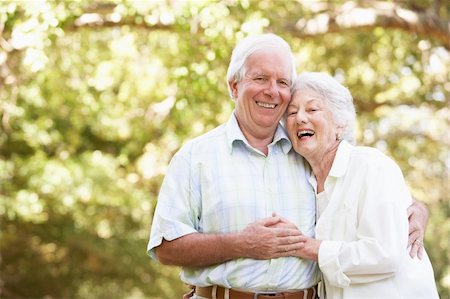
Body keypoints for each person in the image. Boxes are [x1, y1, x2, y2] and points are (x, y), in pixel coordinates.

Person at [147, 34, 429, 299]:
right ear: (234, 86)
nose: (272, 91)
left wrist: (414, 207)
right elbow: (166, 247)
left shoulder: (307, 152)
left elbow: (358, 188)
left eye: (283, 82)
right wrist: (241, 244)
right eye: (260, 78)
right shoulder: (195, 157)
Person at [285, 72, 439, 298]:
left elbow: (385, 253)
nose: (300, 118)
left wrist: (308, 248)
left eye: (312, 109)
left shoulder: (371, 166)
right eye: (291, 112)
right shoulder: (302, 181)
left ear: (341, 124)